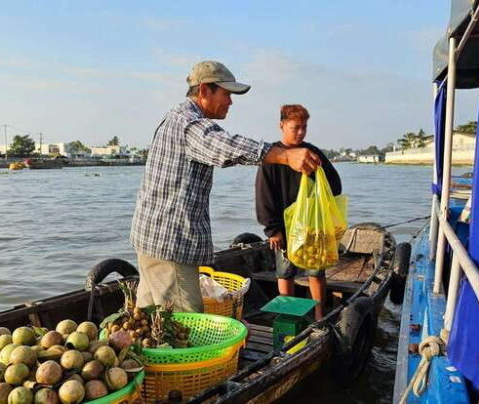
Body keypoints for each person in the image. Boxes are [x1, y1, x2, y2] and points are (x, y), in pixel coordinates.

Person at [130, 61, 322, 312]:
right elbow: (225, 145)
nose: (230, 102)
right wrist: (285, 155)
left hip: (152, 241)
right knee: (183, 321)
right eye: (226, 94)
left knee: (150, 317)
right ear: (204, 90)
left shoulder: (176, 117)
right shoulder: (189, 124)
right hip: (170, 246)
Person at [255, 105, 341, 321]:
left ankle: (320, 316)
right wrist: (272, 230)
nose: (300, 132)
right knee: (285, 273)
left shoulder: (312, 153)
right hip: (283, 228)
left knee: (316, 272)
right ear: (282, 125)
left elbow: (335, 185)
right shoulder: (272, 157)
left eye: (304, 127)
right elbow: (263, 194)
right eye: (295, 128)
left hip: (311, 226)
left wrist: (318, 173)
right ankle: (289, 317)